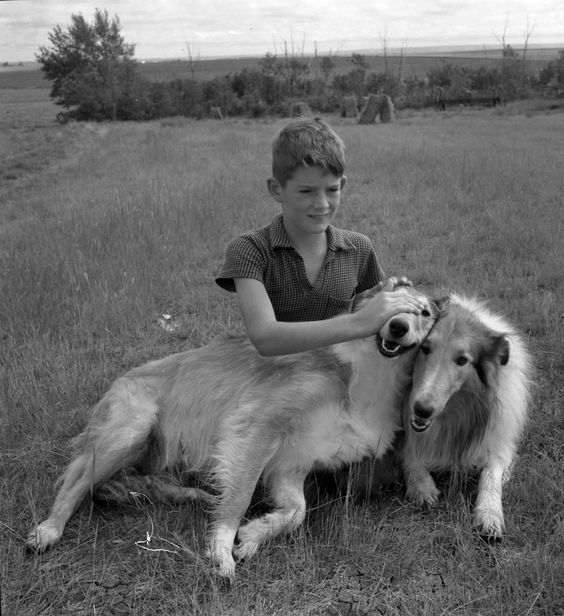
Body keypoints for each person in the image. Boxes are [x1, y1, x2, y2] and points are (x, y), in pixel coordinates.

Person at [216, 118, 423, 356]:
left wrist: (394, 301)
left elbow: (372, 314)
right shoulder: (250, 249)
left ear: (342, 184)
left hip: (340, 374)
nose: (322, 204)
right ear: (276, 189)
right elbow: (266, 339)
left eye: (332, 190)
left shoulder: (358, 248)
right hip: (272, 380)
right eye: (306, 191)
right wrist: (358, 323)